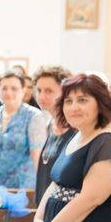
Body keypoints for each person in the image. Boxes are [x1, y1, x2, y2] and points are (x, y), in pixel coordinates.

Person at [33, 74, 111, 222]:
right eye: (68, 101)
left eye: (82, 100)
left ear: (101, 103)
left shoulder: (108, 141)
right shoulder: (78, 136)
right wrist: (39, 221)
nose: (73, 107)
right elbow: (56, 183)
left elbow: (91, 199)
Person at [0, 71, 47, 191]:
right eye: (4, 88)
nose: (8, 93)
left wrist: (41, 190)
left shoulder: (34, 116)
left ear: (23, 91)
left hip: (17, 189)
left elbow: (37, 156)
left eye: (14, 88)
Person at [33, 66, 74, 204]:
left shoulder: (75, 129)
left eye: (49, 91)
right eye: (39, 90)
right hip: (45, 204)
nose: (41, 96)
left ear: (65, 92)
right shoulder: (48, 125)